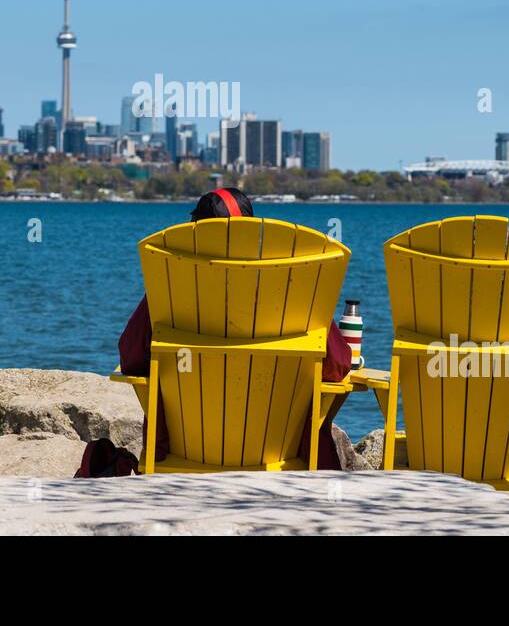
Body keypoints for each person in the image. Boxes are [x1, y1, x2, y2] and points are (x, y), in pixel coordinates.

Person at [117, 187, 353, 470]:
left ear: (195, 233)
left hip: (184, 459)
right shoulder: (294, 291)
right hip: (279, 458)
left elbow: (130, 357)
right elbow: (338, 363)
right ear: (253, 232)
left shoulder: (168, 288)